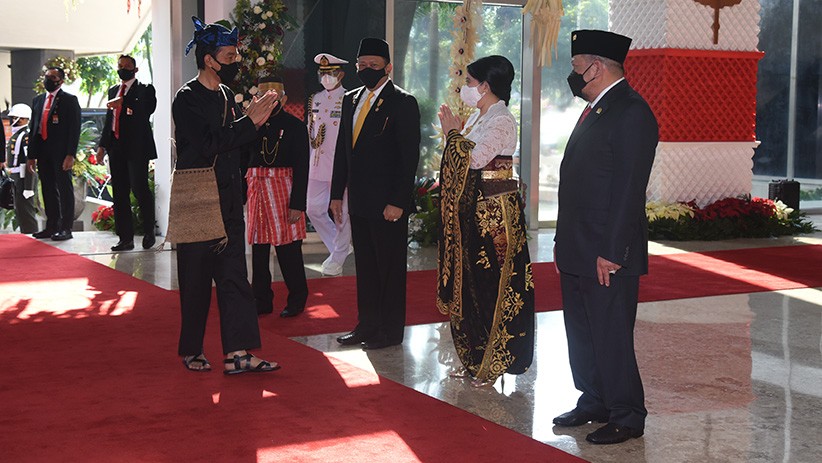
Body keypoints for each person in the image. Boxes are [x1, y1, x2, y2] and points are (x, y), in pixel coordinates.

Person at [552, 29, 659, 445]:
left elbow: (629, 190)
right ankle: (594, 399)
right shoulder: (597, 108)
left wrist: (613, 252)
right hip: (579, 245)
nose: (574, 75)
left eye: (578, 67)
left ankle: (628, 414)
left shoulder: (631, 111)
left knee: (611, 333)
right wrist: (563, 240)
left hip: (607, 251)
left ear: (596, 66)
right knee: (582, 331)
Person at [172, 16, 280, 374]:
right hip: (198, 199)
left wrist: (254, 127)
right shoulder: (186, 98)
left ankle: (238, 354)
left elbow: (235, 147)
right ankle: (192, 349)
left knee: (235, 279)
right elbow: (207, 144)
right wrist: (248, 124)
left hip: (230, 201)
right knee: (196, 280)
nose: (236, 64)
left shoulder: (225, 95)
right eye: (230, 57)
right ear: (209, 59)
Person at [436, 55, 535, 388]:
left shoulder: (502, 119)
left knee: (492, 286)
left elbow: (476, 159)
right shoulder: (479, 118)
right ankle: (473, 358)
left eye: (469, 82)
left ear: (485, 85)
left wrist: (452, 134)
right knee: (471, 287)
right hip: (473, 212)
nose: (465, 88)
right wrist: (455, 134)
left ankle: (492, 363)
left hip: (494, 216)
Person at [329, 37, 421, 350]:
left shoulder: (402, 102)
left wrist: (398, 201)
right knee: (366, 266)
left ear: (388, 67)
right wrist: (336, 194)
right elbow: (343, 151)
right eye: (362, 65)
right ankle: (366, 325)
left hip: (387, 203)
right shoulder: (350, 99)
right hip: (359, 200)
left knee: (390, 269)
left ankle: (390, 331)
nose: (367, 70)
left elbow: (409, 157)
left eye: (374, 65)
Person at [245, 76, 309, 318]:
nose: (269, 101)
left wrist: (298, 204)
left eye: (274, 97)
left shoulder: (295, 126)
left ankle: (297, 299)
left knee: (288, 249)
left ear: (283, 98)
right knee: (259, 250)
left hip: (284, 190)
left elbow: (303, 168)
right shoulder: (250, 126)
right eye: (264, 97)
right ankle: (261, 299)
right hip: (256, 190)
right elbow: (242, 161)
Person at [97, 54, 158, 251]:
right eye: (120, 66)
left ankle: (149, 231)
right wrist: (102, 146)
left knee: (140, 189)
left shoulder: (145, 90)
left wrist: (123, 103)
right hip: (116, 147)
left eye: (127, 66)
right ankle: (125, 238)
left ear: (135, 69)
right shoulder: (113, 90)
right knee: (120, 193)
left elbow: (146, 110)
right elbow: (109, 121)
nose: (123, 68)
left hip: (137, 148)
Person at [305, 53, 351, 276]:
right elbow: (311, 131)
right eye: (322, 74)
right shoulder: (315, 99)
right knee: (312, 208)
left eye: (330, 73)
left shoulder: (349, 99)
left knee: (341, 212)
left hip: (339, 163)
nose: (326, 78)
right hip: (317, 162)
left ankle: (337, 257)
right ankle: (339, 248)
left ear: (340, 74)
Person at [26, 66, 81, 241]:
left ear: (61, 81)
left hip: (61, 152)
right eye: (47, 76)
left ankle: (66, 228)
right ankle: (52, 226)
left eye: (53, 77)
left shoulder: (69, 100)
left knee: (64, 189)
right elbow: (33, 128)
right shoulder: (38, 100)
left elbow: (74, 129)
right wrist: (31, 156)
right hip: (43, 151)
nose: (48, 80)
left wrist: (70, 154)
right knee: (48, 189)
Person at [2, 104, 38, 233]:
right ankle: (26, 234)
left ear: (22, 119)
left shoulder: (26, 136)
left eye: (14, 118)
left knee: (27, 212)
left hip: (24, 178)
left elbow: (30, 163)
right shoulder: (17, 135)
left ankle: (31, 235)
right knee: (21, 212)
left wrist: (29, 187)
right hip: (16, 177)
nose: (11, 121)